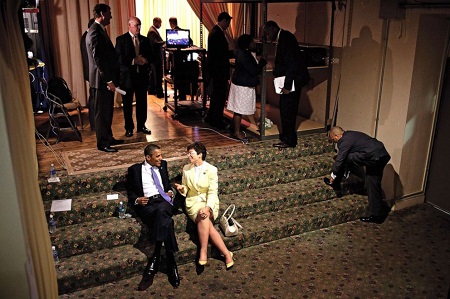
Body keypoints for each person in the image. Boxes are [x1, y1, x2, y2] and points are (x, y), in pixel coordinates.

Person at [127, 144, 180, 290]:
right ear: (148, 157)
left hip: (163, 201)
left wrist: (169, 191)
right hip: (148, 205)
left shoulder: (163, 165)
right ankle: (171, 261)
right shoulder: (135, 170)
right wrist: (138, 200)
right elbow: (130, 191)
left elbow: (167, 183)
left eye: (161, 155)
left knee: (162, 211)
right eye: (158, 156)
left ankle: (154, 260)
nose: (161, 158)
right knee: (165, 219)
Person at [175, 142, 234, 270]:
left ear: (200, 154)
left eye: (191, 153)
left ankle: (203, 251)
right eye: (188, 153)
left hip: (209, 201)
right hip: (193, 203)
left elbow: (213, 192)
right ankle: (226, 253)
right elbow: (186, 189)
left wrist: (208, 207)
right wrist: (181, 188)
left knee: (204, 215)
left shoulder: (211, 170)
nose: (188, 155)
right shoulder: (186, 168)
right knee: (204, 218)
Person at [324, 126, 391, 224]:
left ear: (337, 135)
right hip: (382, 155)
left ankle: (335, 182)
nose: (335, 142)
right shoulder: (351, 134)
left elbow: (340, 159)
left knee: (344, 158)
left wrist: (333, 175)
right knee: (372, 183)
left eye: (334, 140)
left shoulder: (344, 141)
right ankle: (377, 215)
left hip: (372, 156)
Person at [263, 20, 310, 148]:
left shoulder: (286, 39)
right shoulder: (283, 38)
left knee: (288, 110)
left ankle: (289, 140)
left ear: (273, 29)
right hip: (290, 79)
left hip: (292, 81)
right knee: (285, 109)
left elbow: (291, 64)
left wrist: (287, 86)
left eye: (267, 33)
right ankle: (286, 137)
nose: (267, 36)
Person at [86, 4, 124, 152]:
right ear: (102, 14)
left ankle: (108, 137)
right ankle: (102, 143)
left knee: (107, 111)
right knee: (101, 113)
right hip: (101, 81)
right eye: (109, 13)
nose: (111, 16)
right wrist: (108, 80)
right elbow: (98, 60)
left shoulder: (99, 30)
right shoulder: (95, 32)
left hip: (104, 80)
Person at [115, 16, 152, 138]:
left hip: (141, 77)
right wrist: (133, 61)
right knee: (127, 104)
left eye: (140, 25)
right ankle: (129, 128)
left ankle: (141, 125)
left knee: (142, 102)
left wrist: (145, 60)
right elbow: (119, 59)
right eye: (137, 25)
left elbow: (151, 56)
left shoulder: (145, 40)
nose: (139, 27)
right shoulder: (121, 40)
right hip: (127, 78)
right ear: (129, 25)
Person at [227, 34, 266, 141]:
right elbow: (253, 70)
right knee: (239, 110)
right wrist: (262, 63)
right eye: (252, 42)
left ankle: (234, 128)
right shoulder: (244, 55)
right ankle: (237, 132)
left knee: (237, 109)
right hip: (242, 86)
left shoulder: (242, 52)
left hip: (240, 84)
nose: (254, 43)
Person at [204, 11, 233, 129]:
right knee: (219, 96)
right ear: (224, 20)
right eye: (228, 22)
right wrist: (233, 53)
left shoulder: (215, 31)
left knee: (217, 95)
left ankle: (212, 117)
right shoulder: (217, 33)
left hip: (216, 70)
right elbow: (220, 53)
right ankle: (217, 120)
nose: (229, 26)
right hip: (218, 70)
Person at [168, 16, 194, 101]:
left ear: (171, 23)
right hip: (184, 59)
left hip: (176, 59)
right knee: (182, 79)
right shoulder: (183, 31)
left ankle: (179, 94)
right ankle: (181, 95)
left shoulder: (172, 33)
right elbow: (191, 41)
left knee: (176, 78)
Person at [80, 18, 95, 131]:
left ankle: (95, 123)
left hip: (91, 73)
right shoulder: (88, 37)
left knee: (94, 98)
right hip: (93, 73)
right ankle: (94, 124)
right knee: (94, 99)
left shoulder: (85, 36)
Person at [147, 17, 165, 98]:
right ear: (155, 22)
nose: (160, 25)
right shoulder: (152, 32)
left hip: (154, 57)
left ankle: (152, 90)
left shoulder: (152, 31)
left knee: (154, 75)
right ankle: (159, 93)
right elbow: (155, 43)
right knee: (158, 75)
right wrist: (164, 42)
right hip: (155, 58)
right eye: (160, 23)